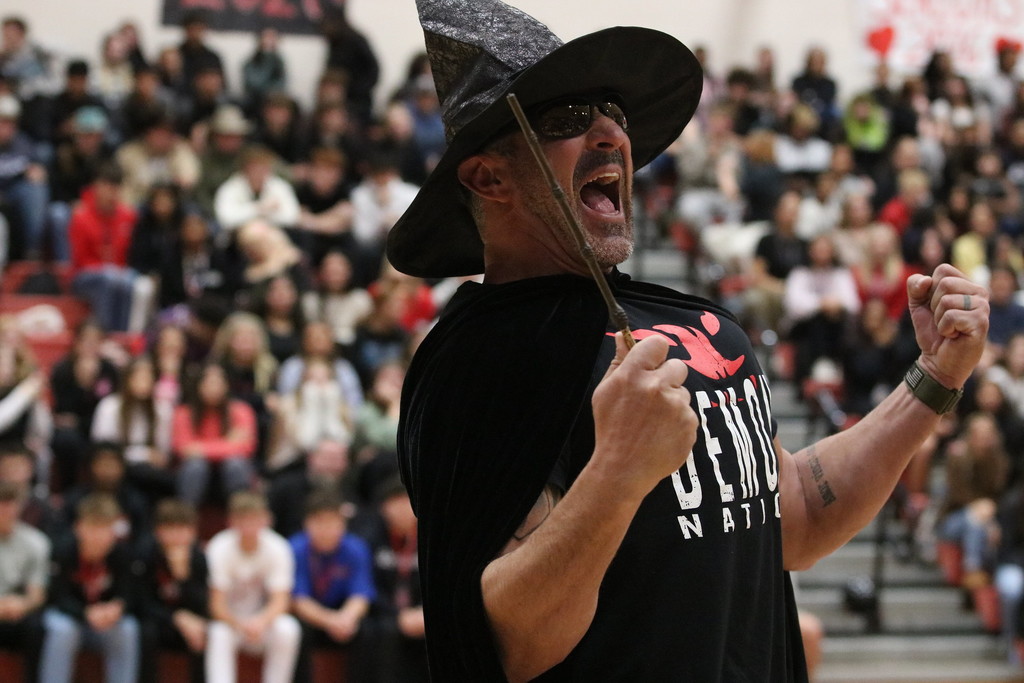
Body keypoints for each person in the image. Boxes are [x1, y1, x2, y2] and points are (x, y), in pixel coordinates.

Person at [387, 1, 991, 681]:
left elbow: (796, 512)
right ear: (488, 177)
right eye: (566, 119)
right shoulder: (476, 363)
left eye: (612, 111)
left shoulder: (705, 324)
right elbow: (508, 644)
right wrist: (617, 472)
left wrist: (935, 376)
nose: (613, 133)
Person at [39, 493, 140, 683]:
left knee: (128, 628)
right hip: (72, 618)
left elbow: (131, 593)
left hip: (104, 622)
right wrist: (85, 612)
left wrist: (118, 606)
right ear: (78, 528)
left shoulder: (123, 554)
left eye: (105, 528)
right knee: (62, 629)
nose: (99, 536)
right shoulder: (64, 550)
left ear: (114, 531)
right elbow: (56, 596)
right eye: (93, 527)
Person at [205, 491, 301, 683]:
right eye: (243, 520)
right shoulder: (218, 547)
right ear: (231, 521)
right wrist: (240, 624)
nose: (249, 526)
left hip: (263, 623)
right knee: (218, 632)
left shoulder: (278, 547)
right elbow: (216, 605)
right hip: (231, 622)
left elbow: (281, 600)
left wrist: (260, 622)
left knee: (288, 628)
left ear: (267, 520)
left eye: (254, 519)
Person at [290, 488, 376, 683]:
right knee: (298, 630)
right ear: (307, 523)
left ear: (343, 523)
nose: (326, 528)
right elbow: (298, 600)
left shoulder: (356, 548)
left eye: (332, 521)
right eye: (319, 521)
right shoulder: (295, 548)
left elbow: (361, 593)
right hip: (311, 617)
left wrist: (346, 618)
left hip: (343, 613)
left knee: (369, 630)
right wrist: (330, 621)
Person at [138, 498, 209, 683]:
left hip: (187, 624)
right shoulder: (146, 554)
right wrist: (175, 618)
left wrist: (183, 577)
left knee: (204, 632)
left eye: (184, 529)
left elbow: (202, 604)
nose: (178, 536)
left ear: (193, 532)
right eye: (171, 529)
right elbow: (142, 603)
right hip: (159, 621)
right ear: (158, 531)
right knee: (146, 632)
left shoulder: (198, 558)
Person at [0, 480, 48, 682]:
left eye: (11, 503)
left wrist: (23, 604)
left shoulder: (35, 541)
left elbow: (37, 593)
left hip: (17, 611)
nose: (6, 510)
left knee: (38, 626)